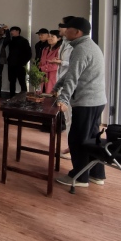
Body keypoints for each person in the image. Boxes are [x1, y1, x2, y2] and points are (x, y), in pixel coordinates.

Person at [53, 17, 107, 188]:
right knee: (92, 139)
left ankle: (80, 177)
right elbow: (73, 72)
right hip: (96, 101)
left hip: (86, 102)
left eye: (67, 28)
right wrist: (58, 85)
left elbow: (73, 78)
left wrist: (63, 99)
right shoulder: (89, 46)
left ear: (77, 32)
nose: (64, 31)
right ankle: (97, 174)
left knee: (78, 139)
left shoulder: (81, 49)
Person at [52, 16, 75, 158]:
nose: (59, 28)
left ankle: (74, 149)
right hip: (63, 83)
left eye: (61, 25)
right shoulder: (65, 43)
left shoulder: (75, 45)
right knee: (67, 118)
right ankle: (71, 146)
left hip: (70, 86)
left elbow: (74, 65)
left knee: (71, 118)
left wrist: (61, 62)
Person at [7, 26, 31, 98]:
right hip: (11, 65)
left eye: (13, 31)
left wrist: (23, 63)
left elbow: (29, 54)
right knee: (11, 82)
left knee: (22, 82)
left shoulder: (24, 41)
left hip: (20, 66)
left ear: (18, 31)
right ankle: (11, 97)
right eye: (10, 31)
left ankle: (24, 97)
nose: (11, 32)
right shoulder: (11, 41)